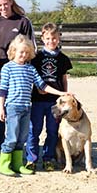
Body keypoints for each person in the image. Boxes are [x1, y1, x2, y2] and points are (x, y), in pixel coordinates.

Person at [0, 34, 69, 176]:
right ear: (14, 51)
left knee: (22, 137)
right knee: (11, 137)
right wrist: (1, 108)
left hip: (26, 107)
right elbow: (2, 90)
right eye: (20, 52)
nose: (23, 55)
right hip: (12, 107)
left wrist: (61, 93)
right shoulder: (7, 68)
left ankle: (18, 164)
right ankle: (4, 164)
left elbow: (42, 85)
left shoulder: (30, 69)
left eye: (26, 52)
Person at [0, 0, 36, 163]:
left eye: (6, 4)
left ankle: (18, 153)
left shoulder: (23, 22)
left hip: (18, 71)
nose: (3, 7)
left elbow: (31, 48)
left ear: (11, 2)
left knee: (18, 113)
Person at [25, 22, 73, 171]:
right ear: (42, 39)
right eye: (48, 38)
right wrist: (37, 89)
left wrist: (65, 97)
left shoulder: (63, 59)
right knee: (35, 130)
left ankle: (48, 157)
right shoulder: (36, 57)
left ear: (58, 38)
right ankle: (31, 159)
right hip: (38, 100)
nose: (51, 41)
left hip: (55, 102)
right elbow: (31, 76)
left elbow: (64, 79)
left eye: (54, 38)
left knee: (52, 131)